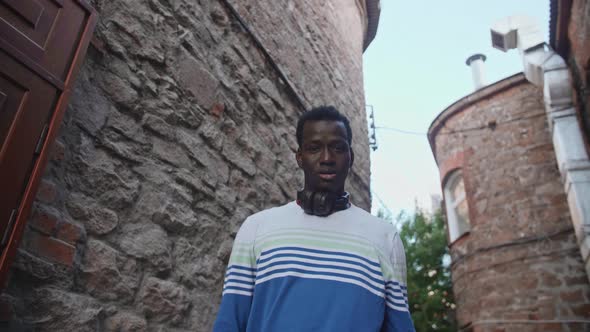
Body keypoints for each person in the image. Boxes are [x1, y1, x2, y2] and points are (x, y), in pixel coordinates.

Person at [213, 106, 415, 331]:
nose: (327, 158)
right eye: (314, 148)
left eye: (338, 148)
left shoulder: (385, 238)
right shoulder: (256, 228)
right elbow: (230, 322)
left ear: (351, 157)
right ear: (300, 157)